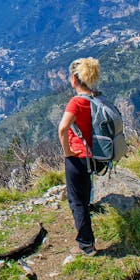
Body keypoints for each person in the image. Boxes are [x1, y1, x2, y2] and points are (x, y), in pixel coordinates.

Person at [58, 57, 101, 256]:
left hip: (78, 157)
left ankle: (87, 244)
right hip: (95, 156)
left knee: (77, 201)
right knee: (85, 194)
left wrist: (67, 151)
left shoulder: (76, 102)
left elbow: (63, 128)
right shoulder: (96, 98)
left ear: (75, 79)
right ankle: (88, 229)